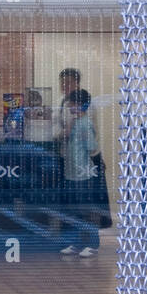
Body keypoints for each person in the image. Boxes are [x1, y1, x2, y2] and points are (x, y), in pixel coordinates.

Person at [59, 88, 100, 258]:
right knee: (73, 211)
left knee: (86, 210)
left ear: (81, 105)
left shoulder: (85, 124)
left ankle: (92, 244)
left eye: (72, 103)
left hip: (83, 174)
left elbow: (92, 148)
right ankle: (76, 242)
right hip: (71, 174)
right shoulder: (74, 122)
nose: (69, 106)